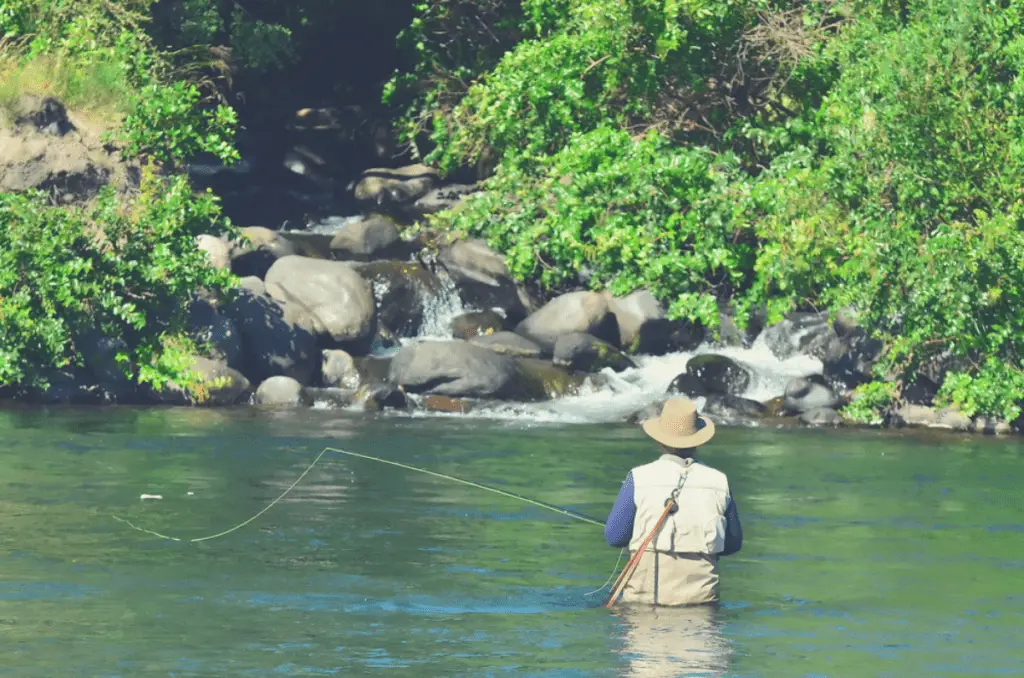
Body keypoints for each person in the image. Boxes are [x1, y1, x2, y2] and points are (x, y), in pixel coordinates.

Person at [604, 397, 743, 606]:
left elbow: (614, 537)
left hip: (643, 605)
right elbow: (733, 544)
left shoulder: (638, 477)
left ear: (659, 440)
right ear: (698, 441)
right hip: (701, 608)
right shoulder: (719, 481)